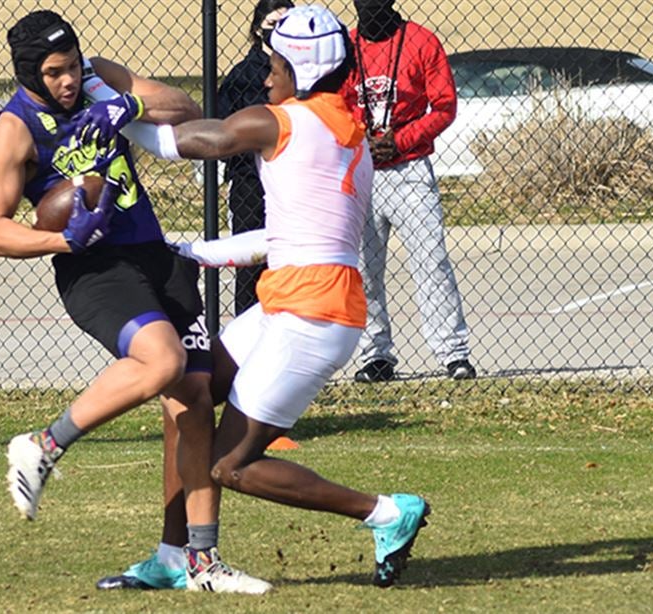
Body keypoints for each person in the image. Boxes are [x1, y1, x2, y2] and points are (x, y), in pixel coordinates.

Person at [0, 10, 269, 594]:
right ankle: (42, 445)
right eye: (55, 72)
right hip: (95, 268)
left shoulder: (96, 79)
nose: (68, 81)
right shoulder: (14, 129)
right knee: (164, 363)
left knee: (194, 401)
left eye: (73, 66)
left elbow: (186, 111)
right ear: (30, 74)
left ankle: (192, 562)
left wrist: (124, 104)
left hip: (154, 257)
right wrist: (63, 238)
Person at [154, 4, 432, 588]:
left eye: (275, 64)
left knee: (232, 465)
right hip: (295, 300)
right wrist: (198, 249)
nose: (266, 76)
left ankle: (385, 511)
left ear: (301, 71)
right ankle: (173, 556)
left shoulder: (284, 120)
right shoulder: (344, 129)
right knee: (186, 394)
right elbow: (290, 238)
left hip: (313, 314)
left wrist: (113, 117)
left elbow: (199, 141)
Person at [343, 0, 476, 383]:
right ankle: (375, 355)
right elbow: (334, 104)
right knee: (364, 269)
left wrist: (402, 140)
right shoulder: (347, 48)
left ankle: (454, 353)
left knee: (431, 260)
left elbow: (444, 105)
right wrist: (358, 137)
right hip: (361, 171)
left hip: (411, 170)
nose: (370, 6)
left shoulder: (420, 41)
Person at [216, 0, 293, 315]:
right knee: (250, 269)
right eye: (272, 26)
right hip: (250, 181)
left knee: (288, 262)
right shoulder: (242, 76)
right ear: (258, 28)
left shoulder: (300, 74)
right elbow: (222, 125)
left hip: (290, 181)